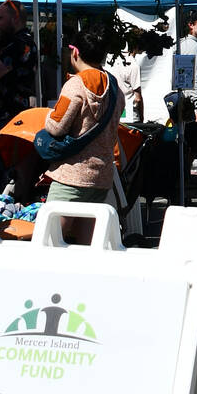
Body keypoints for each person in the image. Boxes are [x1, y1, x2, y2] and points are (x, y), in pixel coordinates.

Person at [40, 28, 122, 242]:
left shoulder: (75, 84)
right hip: (101, 176)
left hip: (71, 176)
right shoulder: (115, 87)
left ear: (75, 53)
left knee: (52, 238)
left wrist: (49, 114)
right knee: (87, 244)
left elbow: (56, 127)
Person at [0, 0, 38, 196]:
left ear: (16, 18)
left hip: (4, 119)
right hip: (7, 118)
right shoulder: (20, 42)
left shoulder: (19, 44)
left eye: (0, 18)